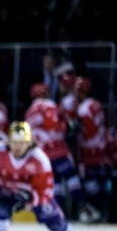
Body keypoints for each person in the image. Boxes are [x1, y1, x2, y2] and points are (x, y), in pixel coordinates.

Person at [24, 82, 87, 218]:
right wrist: (68, 126)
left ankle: (61, 213)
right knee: (72, 178)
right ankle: (84, 209)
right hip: (58, 150)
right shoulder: (49, 105)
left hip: (42, 155)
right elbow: (55, 125)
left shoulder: (28, 112)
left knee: (55, 184)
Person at [72, 76, 107, 223]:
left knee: (90, 184)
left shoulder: (84, 108)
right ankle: (101, 211)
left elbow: (89, 131)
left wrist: (76, 129)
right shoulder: (96, 104)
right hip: (101, 148)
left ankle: (97, 211)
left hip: (89, 151)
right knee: (98, 183)